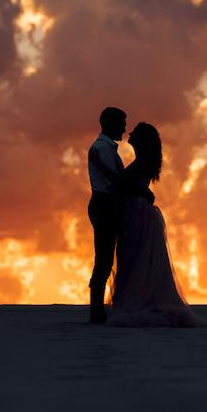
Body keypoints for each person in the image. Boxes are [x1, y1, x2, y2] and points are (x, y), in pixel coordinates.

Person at [107, 122, 205, 328]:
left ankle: (133, 301)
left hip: (137, 213)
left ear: (141, 139)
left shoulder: (142, 161)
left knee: (132, 257)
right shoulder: (143, 161)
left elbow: (122, 183)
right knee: (133, 257)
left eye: (135, 132)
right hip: (138, 210)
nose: (129, 133)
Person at [86, 107, 127, 324]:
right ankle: (96, 310)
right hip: (104, 205)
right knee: (104, 257)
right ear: (110, 123)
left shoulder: (105, 147)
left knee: (105, 256)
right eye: (122, 122)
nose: (124, 127)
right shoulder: (103, 148)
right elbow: (115, 179)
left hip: (106, 204)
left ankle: (98, 309)